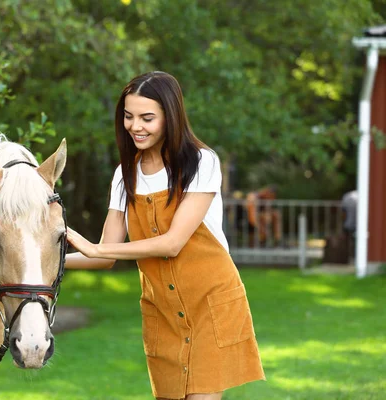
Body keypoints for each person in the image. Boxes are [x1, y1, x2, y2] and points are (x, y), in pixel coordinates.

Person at [65, 71, 265, 400]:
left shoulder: (202, 163)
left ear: (169, 117)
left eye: (147, 118)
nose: (135, 126)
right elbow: (105, 256)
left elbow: (172, 243)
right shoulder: (123, 175)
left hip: (209, 304)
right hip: (162, 313)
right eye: (128, 117)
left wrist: (94, 249)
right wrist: (48, 262)